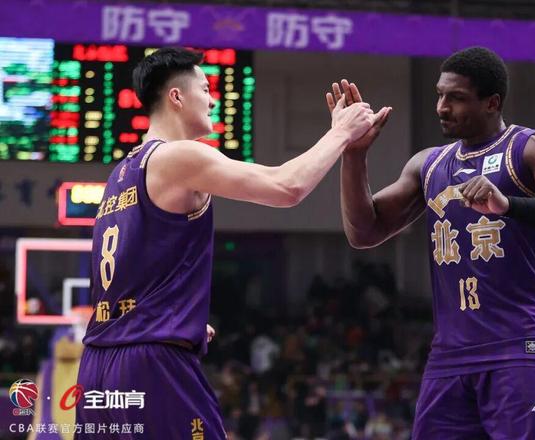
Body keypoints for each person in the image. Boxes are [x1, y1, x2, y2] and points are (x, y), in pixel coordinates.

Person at [75, 46, 383, 439]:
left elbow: (131, 271)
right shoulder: (178, 157)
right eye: (205, 89)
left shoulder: (121, 174)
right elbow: (287, 187)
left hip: (98, 366)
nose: (212, 99)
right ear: (176, 97)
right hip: (151, 363)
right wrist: (340, 132)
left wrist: (176, 318)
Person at [330, 46, 535, 439]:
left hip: (524, 348)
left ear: (492, 102)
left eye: (456, 98)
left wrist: (508, 205)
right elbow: (363, 232)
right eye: (440, 95)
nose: (442, 107)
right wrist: (354, 156)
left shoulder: (530, 147)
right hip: (451, 358)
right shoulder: (429, 164)